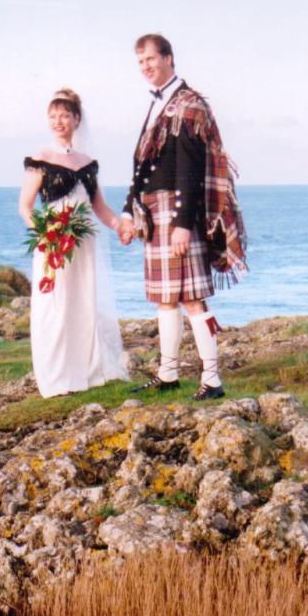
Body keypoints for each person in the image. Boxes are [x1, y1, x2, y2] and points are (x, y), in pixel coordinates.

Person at [119, 34, 248, 401]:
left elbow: (191, 170)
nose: (145, 66)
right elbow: (143, 167)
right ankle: (168, 373)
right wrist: (129, 210)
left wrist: (182, 224)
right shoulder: (159, 104)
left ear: (169, 58)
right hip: (154, 211)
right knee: (165, 298)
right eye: (140, 61)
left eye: (150, 59)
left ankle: (212, 379)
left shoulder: (189, 104)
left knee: (192, 298)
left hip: (176, 212)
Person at [19, 88, 128, 398]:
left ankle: (87, 370)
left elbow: (100, 208)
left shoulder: (88, 163)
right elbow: (25, 206)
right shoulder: (40, 159)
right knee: (54, 306)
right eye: (53, 116)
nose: (58, 121)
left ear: (76, 119)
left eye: (64, 116)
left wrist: (120, 226)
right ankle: (56, 376)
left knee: (83, 303)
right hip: (53, 243)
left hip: (84, 243)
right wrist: (46, 235)